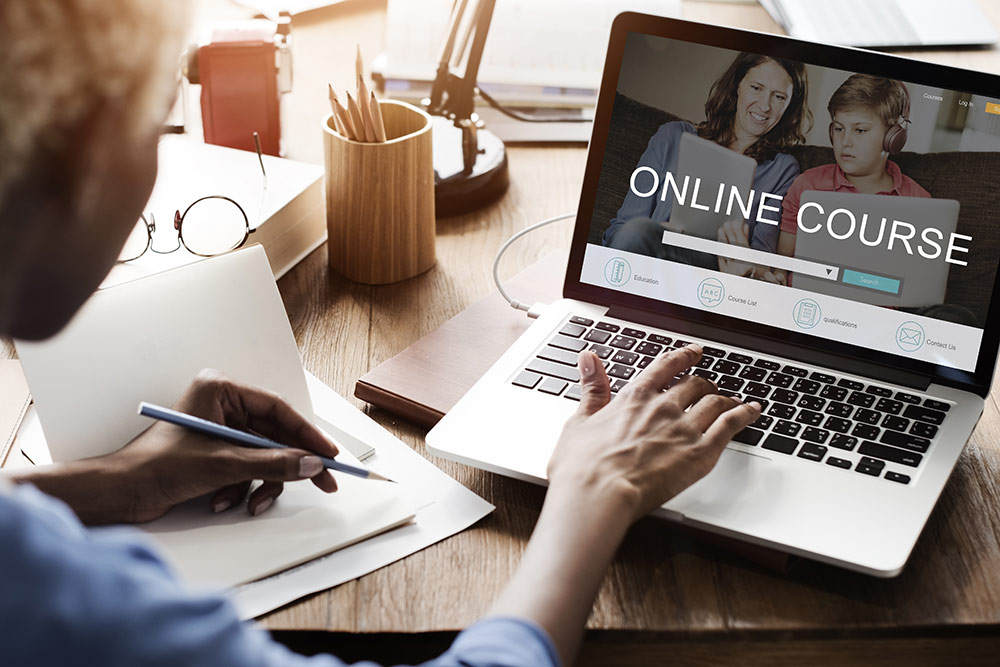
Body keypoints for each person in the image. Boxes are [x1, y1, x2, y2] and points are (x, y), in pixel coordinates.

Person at [0, 3, 760, 666]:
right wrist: (594, 490)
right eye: (155, 126)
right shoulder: (59, 592)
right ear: (82, 161)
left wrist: (120, 482)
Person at [604, 51, 811, 277]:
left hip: (712, 273)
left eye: (779, 97)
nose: (764, 106)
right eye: (756, 88)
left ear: (789, 105)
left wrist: (748, 266)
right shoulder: (672, 137)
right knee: (637, 231)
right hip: (647, 257)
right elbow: (620, 229)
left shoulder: (782, 169)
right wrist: (657, 235)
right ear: (737, 85)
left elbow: (763, 256)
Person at [768, 74, 930, 287]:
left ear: (893, 137)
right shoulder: (806, 185)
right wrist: (776, 277)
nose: (845, 142)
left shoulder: (919, 202)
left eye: (860, 130)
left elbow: (923, 286)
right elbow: (782, 263)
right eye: (838, 128)